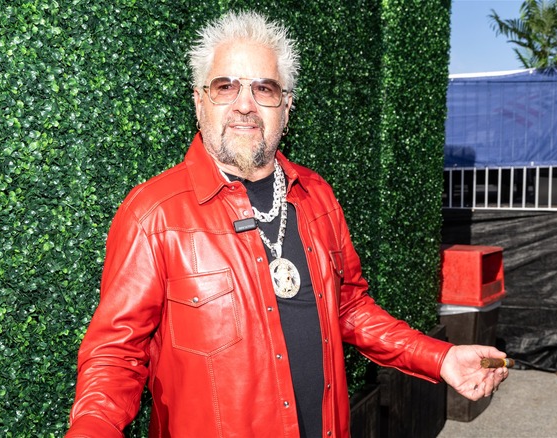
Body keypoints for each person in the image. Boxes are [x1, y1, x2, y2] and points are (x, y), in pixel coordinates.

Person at [66, 10, 509, 438]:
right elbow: (116, 354)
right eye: (225, 86)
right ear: (200, 100)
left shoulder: (317, 197)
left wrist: (440, 356)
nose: (245, 104)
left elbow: (349, 308)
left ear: (286, 106)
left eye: (264, 88)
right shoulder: (153, 213)